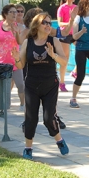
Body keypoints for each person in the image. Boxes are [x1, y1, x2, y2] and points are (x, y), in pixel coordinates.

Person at [11, 12, 69, 160]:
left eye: (50, 23)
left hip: (50, 85)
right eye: (45, 23)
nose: (48, 25)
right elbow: (21, 64)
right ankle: (28, 148)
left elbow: (64, 62)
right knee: (31, 118)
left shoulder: (54, 41)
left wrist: (53, 55)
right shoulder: (27, 43)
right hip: (31, 85)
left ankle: (59, 140)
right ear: (37, 25)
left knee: (49, 118)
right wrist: (17, 59)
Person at [0, 4, 25, 110]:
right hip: (0, 62)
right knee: (2, 87)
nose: (14, 14)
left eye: (15, 12)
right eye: (12, 12)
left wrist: (16, 32)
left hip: (15, 60)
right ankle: (0, 108)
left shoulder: (19, 27)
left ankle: (23, 104)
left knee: (20, 84)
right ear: (5, 14)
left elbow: (19, 42)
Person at [57, 0, 78, 92]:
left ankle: (74, 71)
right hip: (64, 34)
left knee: (84, 51)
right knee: (64, 60)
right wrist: (70, 22)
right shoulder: (62, 8)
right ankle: (61, 82)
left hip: (74, 34)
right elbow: (60, 24)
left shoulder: (75, 8)